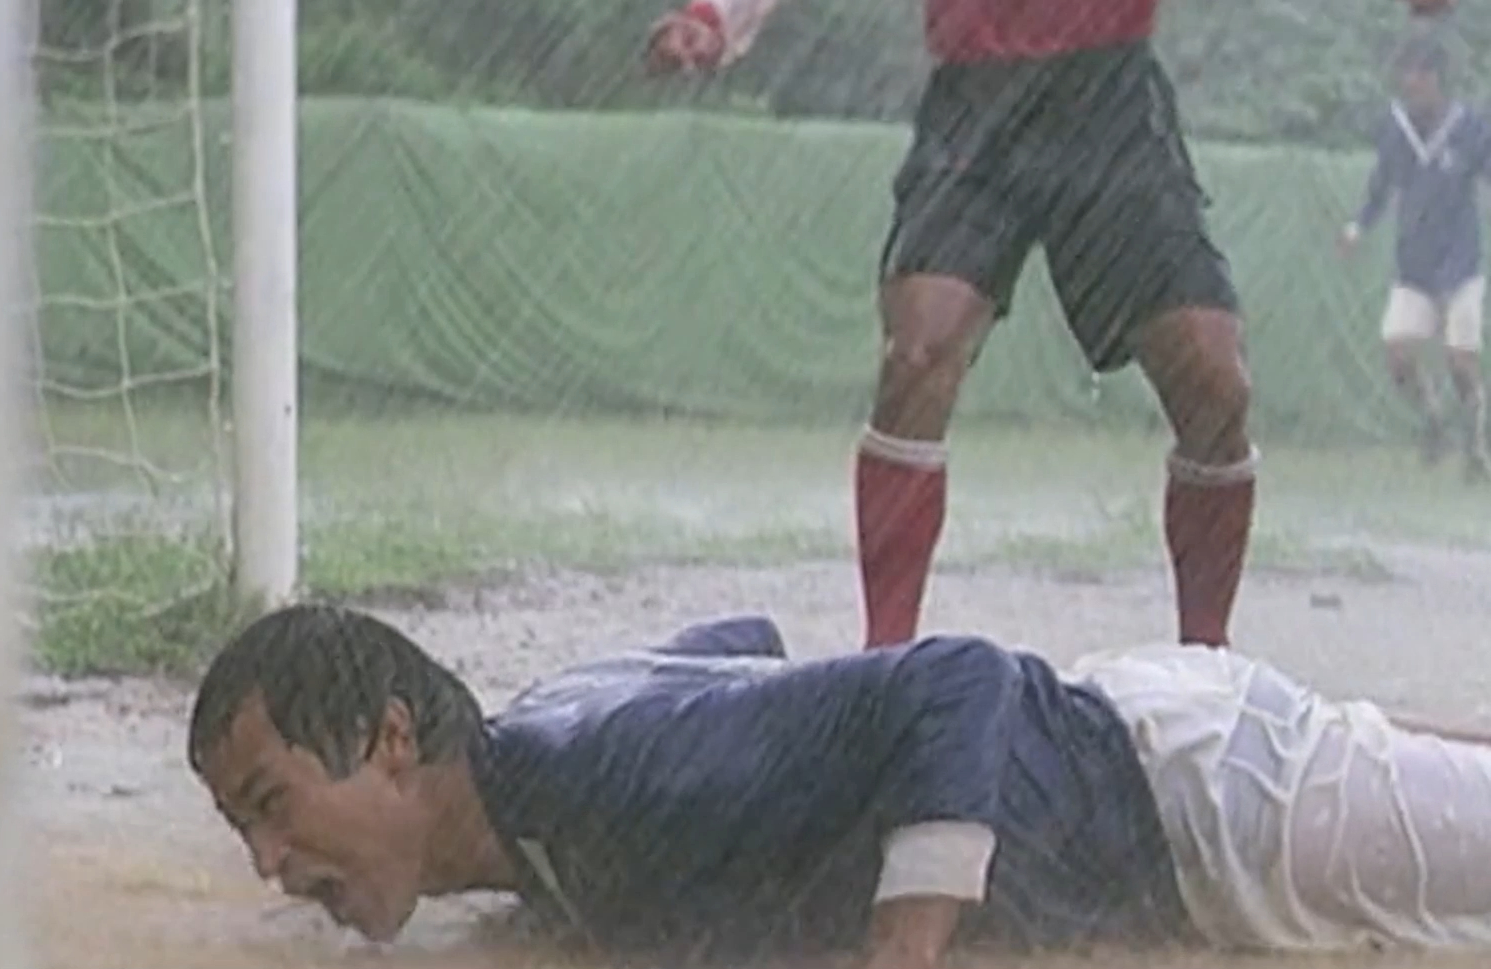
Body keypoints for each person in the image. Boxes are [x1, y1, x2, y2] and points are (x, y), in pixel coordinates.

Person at [189, 604, 1491, 968]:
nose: (267, 862)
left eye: (272, 802)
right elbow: (736, 645)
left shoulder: (596, 779)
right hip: (1134, 726)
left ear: (393, 739)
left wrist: (902, 943)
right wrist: (805, 771)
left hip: (1198, 805)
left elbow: (958, 680)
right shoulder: (540, 775)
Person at [645, 0, 1274, 649]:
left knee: (1214, 381)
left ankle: (1208, 662)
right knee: (919, 351)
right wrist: (715, 17)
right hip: (977, 107)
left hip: (1109, 101)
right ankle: (886, 658)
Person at [1338, 36, 1491, 482]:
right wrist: (1357, 228)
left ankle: (1477, 445)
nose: (1412, 83)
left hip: (1460, 261)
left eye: (1421, 74)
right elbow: (1380, 187)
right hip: (1415, 263)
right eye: (1407, 74)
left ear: (1437, 79)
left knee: (1461, 361)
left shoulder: (1469, 127)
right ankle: (1434, 419)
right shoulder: (1397, 129)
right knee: (1398, 356)